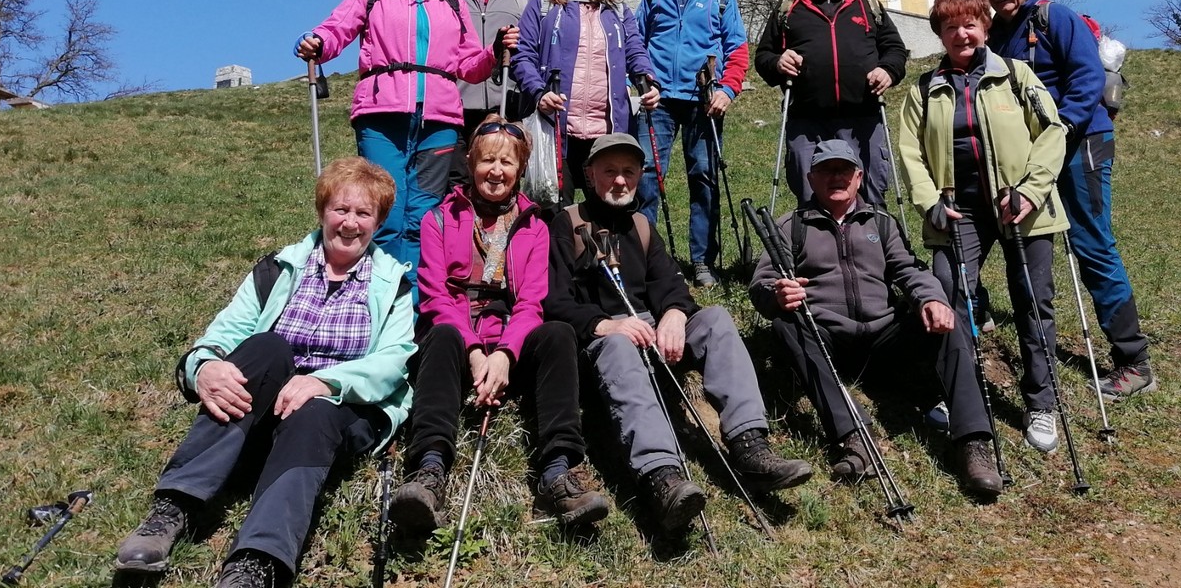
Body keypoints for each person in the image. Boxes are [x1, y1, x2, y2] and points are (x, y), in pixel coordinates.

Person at [114, 158, 415, 588]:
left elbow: (392, 362)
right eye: (340, 209)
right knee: (266, 347)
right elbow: (225, 332)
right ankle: (172, 508)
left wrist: (324, 381)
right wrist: (204, 367)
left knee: (315, 410)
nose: (350, 223)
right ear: (322, 211)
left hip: (336, 415)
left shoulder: (392, 283)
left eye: (363, 213)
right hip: (263, 410)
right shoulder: (278, 268)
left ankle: (257, 561)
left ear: (379, 222)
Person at [544, 133, 812, 535]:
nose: (620, 180)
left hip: (651, 331)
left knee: (716, 319)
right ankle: (661, 477)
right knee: (618, 345)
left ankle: (750, 445)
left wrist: (673, 313)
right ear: (589, 174)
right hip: (601, 338)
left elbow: (671, 285)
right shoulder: (565, 224)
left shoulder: (641, 226)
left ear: (640, 177)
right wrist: (607, 324)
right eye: (610, 171)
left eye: (629, 171)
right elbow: (552, 298)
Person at [388, 117, 609, 536]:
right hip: (458, 345)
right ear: (470, 162)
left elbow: (531, 302)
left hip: (511, 343)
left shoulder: (536, 226)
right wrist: (475, 352)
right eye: (487, 160)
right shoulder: (439, 219)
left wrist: (505, 354)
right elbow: (436, 296)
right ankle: (429, 471)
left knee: (558, 335)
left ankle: (558, 471)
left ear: (520, 169)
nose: (496, 171)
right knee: (441, 333)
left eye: (507, 162)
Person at [750, 139, 1003, 498]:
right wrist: (777, 295)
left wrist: (931, 299)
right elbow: (762, 283)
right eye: (826, 170)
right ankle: (853, 435)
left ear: (858, 177)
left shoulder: (882, 223)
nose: (836, 177)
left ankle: (973, 442)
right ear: (810, 178)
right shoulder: (791, 226)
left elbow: (910, 270)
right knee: (786, 322)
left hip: (886, 338)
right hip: (826, 340)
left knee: (947, 314)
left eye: (844, 170)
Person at [896, 0, 1070, 453]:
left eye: (970, 24)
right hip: (957, 211)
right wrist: (929, 201)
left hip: (1021, 206)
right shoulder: (924, 89)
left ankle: (1041, 403)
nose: (961, 34)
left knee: (1032, 300)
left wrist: (1031, 191)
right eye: (950, 27)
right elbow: (910, 152)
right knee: (949, 294)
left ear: (985, 28)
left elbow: (1052, 131)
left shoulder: (1016, 75)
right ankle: (961, 393)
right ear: (940, 34)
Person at [980, 0, 1155, 398]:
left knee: (1091, 243)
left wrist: (1063, 126)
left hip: (1081, 143)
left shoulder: (1054, 18)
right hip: (1034, 153)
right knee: (1023, 238)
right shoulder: (996, 35)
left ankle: (1134, 361)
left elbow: (1087, 75)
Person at [295, 0, 494, 293]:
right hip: (381, 117)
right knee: (385, 212)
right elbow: (336, 29)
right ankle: (378, 300)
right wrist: (316, 41)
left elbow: (469, 65)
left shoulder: (452, 2)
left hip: (438, 122)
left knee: (423, 218)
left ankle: (413, 307)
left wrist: (494, 52)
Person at [634, 0, 749, 286]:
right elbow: (635, 42)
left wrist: (727, 90)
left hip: (705, 100)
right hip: (658, 100)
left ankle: (702, 261)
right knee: (646, 176)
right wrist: (641, 83)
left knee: (704, 177)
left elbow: (738, 48)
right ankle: (643, 257)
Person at [753, 0, 907, 207]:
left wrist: (887, 70)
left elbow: (895, 49)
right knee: (810, 197)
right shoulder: (788, 8)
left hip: (863, 119)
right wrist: (778, 63)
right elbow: (763, 56)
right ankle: (815, 235)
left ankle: (871, 234)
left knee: (870, 196)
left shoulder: (867, 4)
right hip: (807, 122)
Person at [511, 0, 659, 203]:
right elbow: (523, 56)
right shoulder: (543, 4)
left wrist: (648, 81)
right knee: (553, 210)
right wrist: (539, 94)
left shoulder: (618, 10)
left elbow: (636, 52)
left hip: (606, 131)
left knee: (607, 211)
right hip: (556, 128)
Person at [441, 0, 528, 188]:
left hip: (504, 108)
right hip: (456, 110)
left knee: (501, 183)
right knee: (457, 185)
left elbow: (529, 50)